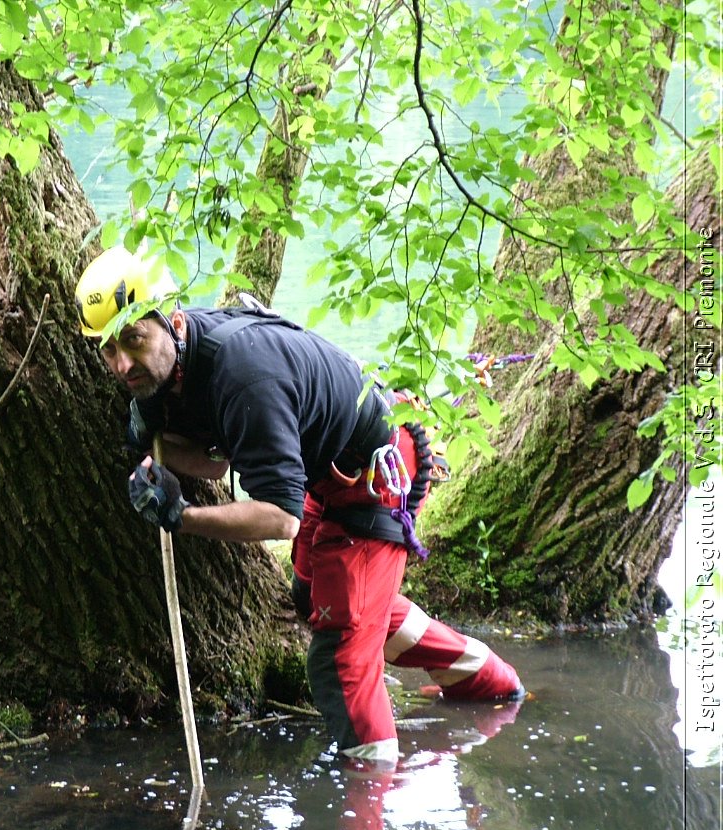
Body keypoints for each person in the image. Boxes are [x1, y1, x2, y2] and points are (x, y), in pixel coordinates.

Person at [74, 246, 524, 763]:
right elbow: (220, 462)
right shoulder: (176, 359)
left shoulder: (243, 376)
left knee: (339, 661)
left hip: (375, 477)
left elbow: (281, 519)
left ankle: (367, 800)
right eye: (108, 350)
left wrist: (183, 517)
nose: (123, 363)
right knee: (320, 601)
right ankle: (486, 682)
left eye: (133, 340)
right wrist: (158, 445)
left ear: (172, 320)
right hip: (325, 475)